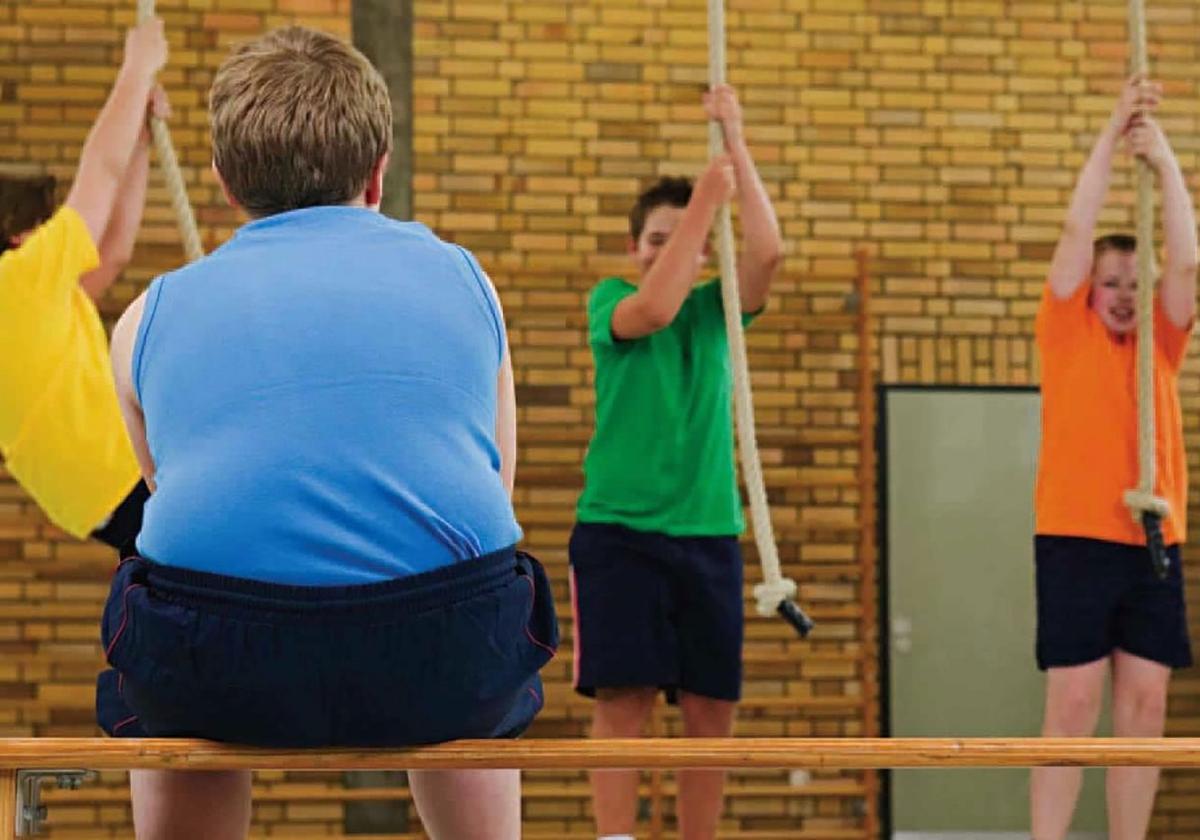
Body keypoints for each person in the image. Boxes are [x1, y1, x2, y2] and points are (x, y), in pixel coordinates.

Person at [99, 26, 556, 840]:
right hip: (445, 653)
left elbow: (177, 513)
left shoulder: (146, 317)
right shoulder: (465, 279)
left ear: (223, 184)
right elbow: (497, 483)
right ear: (379, 174)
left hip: (222, 664)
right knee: (476, 586)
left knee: (156, 590)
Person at [568, 84, 782, 840]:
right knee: (624, 701)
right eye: (655, 239)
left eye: (682, 238)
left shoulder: (717, 314)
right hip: (621, 533)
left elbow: (769, 251)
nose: (670, 249)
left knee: (709, 709)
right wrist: (699, 211)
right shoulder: (612, 302)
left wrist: (736, 140)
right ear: (635, 249)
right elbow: (654, 308)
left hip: (706, 536)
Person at [1031, 75, 1196, 840]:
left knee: (1145, 708)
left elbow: (1188, 269)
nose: (1125, 294)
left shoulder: (1159, 347)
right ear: (1088, 292)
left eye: (1135, 282)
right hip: (1076, 536)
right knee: (1071, 705)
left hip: (1153, 540)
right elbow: (1075, 230)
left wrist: (1163, 167)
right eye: (1111, 283)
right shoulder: (1068, 334)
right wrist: (1110, 133)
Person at [0, 20, 167, 549]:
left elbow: (113, 251)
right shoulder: (16, 281)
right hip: (108, 469)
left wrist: (140, 138)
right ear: (21, 235)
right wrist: (136, 67)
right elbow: (98, 173)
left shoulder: (31, 310)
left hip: (89, 491)